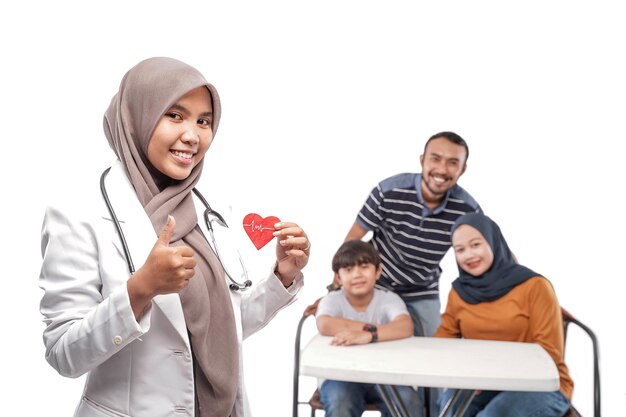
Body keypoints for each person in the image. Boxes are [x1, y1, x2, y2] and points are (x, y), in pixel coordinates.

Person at [38, 57, 310, 417]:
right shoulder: (77, 214)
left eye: (204, 121)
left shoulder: (206, 209)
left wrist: (283, 275)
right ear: (138, 115)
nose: (192, 135)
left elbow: (222, 325)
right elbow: (64, 354)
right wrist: (140, 290)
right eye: (175, 115)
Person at [434, 212, 573, 417]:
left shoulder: (535, 286)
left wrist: (489, 376)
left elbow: (549, 354)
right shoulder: (459, 291)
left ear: (493, 242)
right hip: (483, 382)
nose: (469, 255)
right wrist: (467, 373)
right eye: (460, 250)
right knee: (449, 412)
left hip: (541, 385)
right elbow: (443, 340)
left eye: (476, 245)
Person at [315, 240, 422, 417]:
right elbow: (325, 323)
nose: (357, 274)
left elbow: (405, 326)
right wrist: (377, 330)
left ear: (378, 271)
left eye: (364, 267)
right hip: (340, 375)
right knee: (340, 400)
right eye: (348, 270)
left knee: (407, 400)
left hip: (386, 373)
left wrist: (368, 335)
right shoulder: (332, 300)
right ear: (338, 278)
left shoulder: (389, 299)